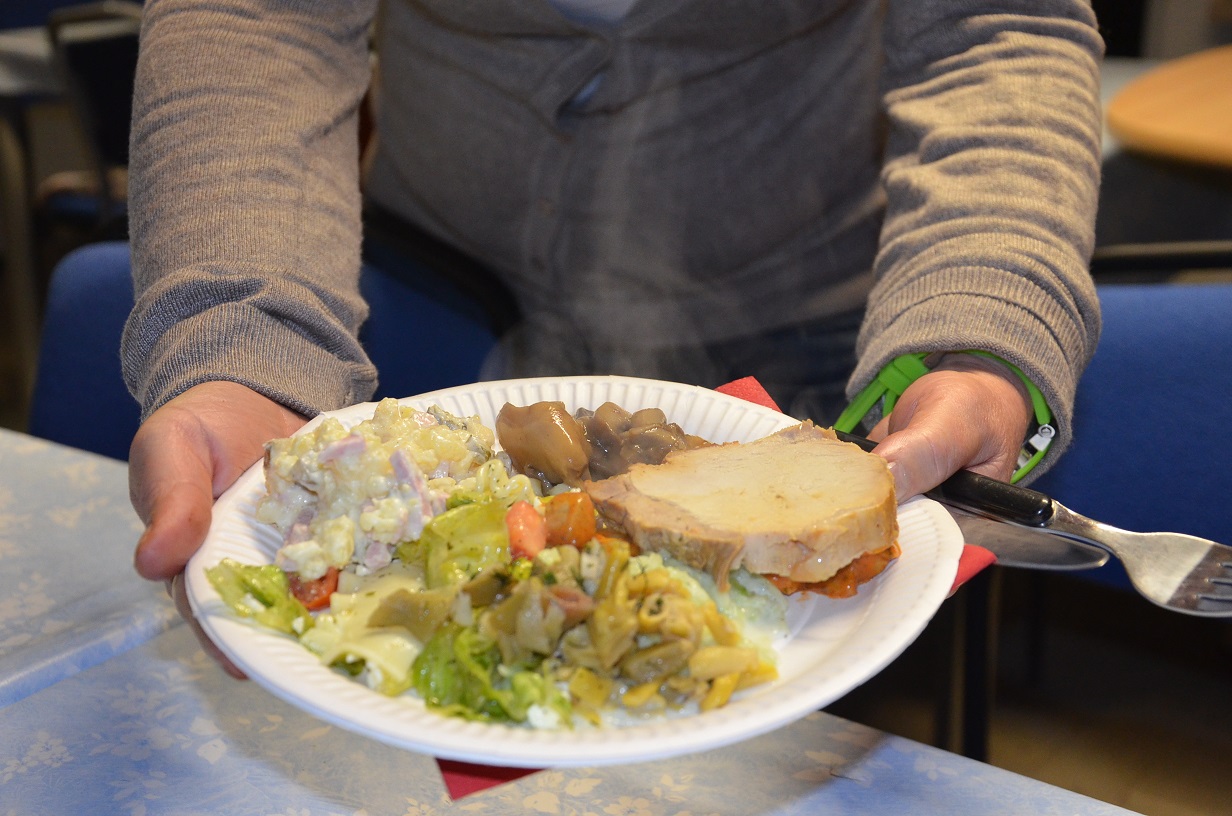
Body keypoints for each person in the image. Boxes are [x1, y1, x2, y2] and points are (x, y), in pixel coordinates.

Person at [121, 0, 1104, 674]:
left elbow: (998, 26)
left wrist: (980, 326)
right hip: (410, 307)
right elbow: (257, 17)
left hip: (806, 324)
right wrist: (245, 340)